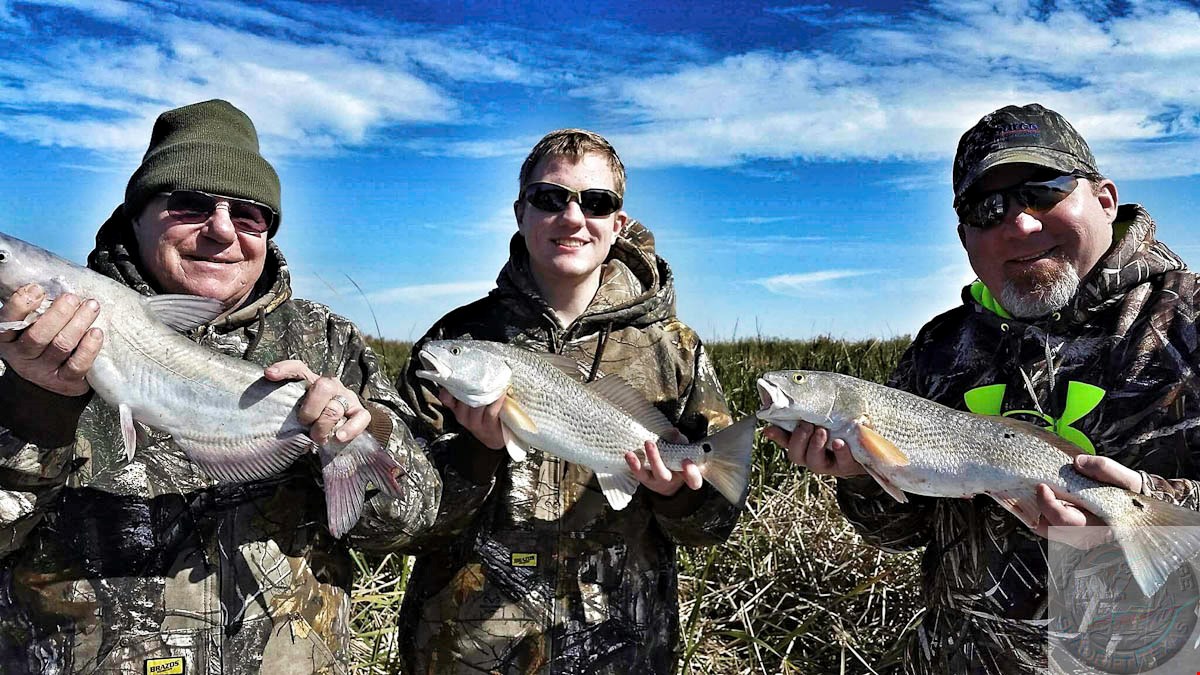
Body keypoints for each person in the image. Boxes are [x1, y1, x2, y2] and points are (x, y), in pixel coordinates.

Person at [0, 99, 440, 674]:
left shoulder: (330, 340)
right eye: (189, 206)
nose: (223, 231)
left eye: (251, 214)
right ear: (136, 215)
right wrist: (34, 409)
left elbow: (413, 521)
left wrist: (364, 431)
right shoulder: (19, 340)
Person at [766, 103, 1200, 673]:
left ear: (1104, 199)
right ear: (964, 235)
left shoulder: (1189, 320)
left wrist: (1151, 506)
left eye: (1043, 191)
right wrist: (862, 478)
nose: (1019, 224)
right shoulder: (940, 346)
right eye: (986, 207)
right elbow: (905, 531)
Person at [397, 129, 746, 673]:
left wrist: (676, 493)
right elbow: (402, 520)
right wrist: (475, 453)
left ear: (618, 224)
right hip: (467, 654)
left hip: (625, 652)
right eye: (549, 198)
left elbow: (713, 527)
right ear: (520, 211)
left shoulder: (674, 348)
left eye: (596, 202)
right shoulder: (455, 336)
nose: (571, 217)